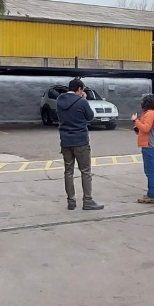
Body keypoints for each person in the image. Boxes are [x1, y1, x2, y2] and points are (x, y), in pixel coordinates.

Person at [56, 77, 103, 210]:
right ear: (79, 89)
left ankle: (71, 201)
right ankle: (87, 200)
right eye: (82, 90)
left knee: (68, 172)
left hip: (65, 141)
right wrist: (84, 99)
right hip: (80, 140)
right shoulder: (82, 102)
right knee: (85, 171)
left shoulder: (59, 100)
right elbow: (90, 116)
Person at [132, 93, 154, 204]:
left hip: (150, 146)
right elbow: (146, 130)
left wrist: (136, 120)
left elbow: (145, 128)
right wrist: (137, 126)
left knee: (149, 172)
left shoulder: (150, 114)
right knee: (152, 171)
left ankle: (151, 195)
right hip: (153, 146)